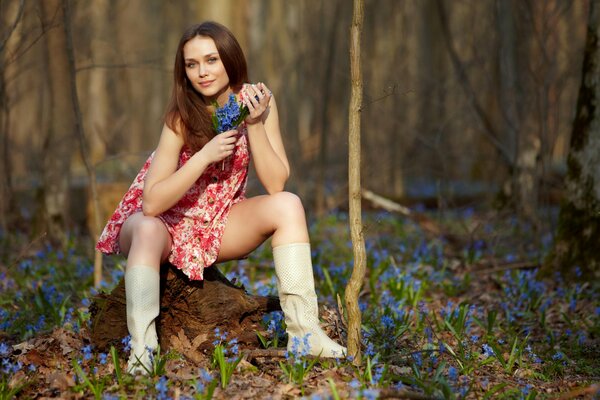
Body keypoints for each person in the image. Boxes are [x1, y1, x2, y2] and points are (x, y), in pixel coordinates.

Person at [96, 21, 346, 374]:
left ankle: (305, 333)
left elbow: (276, 183)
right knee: (148, 227)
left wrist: (255, 125)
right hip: (163, 223)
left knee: (289, 204)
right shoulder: (180, 116)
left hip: (215, 225)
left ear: (229, 58)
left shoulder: (258, 101)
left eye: (211, 60)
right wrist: (203, 156)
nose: (202, 72)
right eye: (192, 64)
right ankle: (142, 348)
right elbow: (151, 204)